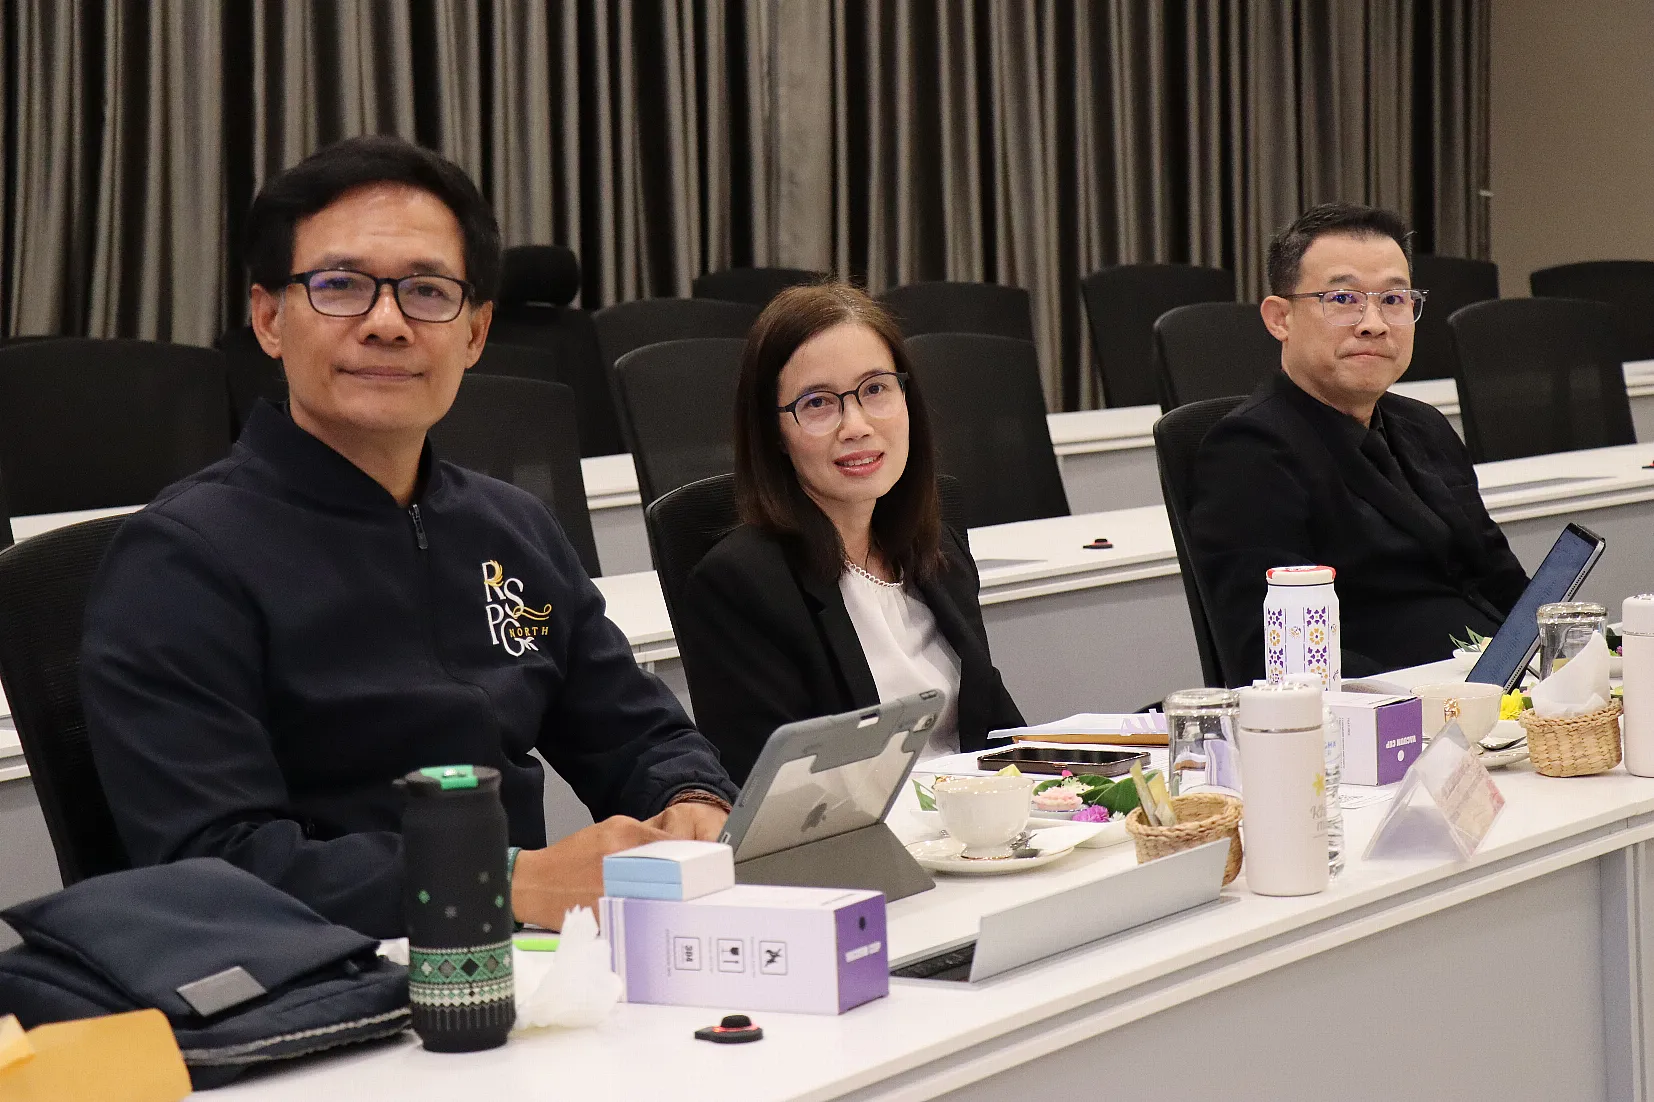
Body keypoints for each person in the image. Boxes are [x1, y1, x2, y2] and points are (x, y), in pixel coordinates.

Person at [81, 136, 737, 938]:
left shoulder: (513, 526)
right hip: (326, 982)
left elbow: (639, 735)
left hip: (528, 968)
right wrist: (505, 882)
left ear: (475, 332)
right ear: (269, 319)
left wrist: (691, 799)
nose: (387, 324)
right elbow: (217, 862)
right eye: (341, 286)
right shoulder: (179, 561)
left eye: (427, 291)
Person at [674, 283, 1024, 784]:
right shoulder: (741, 585)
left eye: (875, 389)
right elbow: (780, 797)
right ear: (775, 433)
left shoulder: (937, 550)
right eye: (818, 403)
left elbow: (1001, 737)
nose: (856, 425)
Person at [1187, 202, 1530, 684]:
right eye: (1344, 298)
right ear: (1280, 318)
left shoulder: (1425, 426)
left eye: (1393, 299)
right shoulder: (1249, 452)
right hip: (1385, 713)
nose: (1374, 323)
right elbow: (1278, 657)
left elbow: (1501, 580)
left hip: (1503, 692)